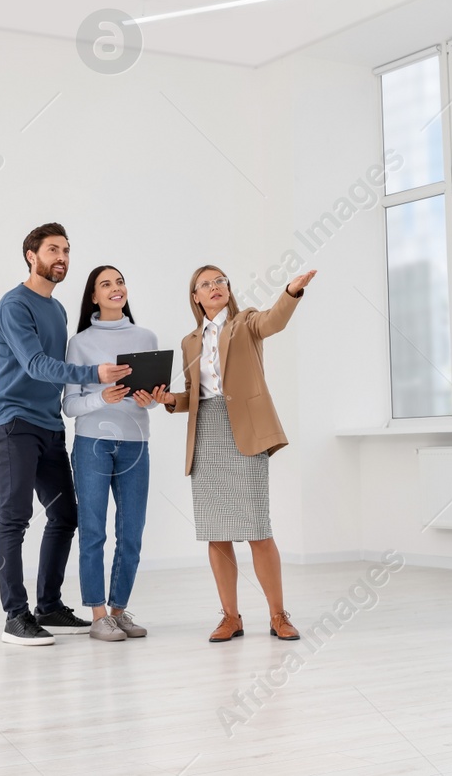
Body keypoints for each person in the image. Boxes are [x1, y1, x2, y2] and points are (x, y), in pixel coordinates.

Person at [153, 264, 317, 643]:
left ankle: (278, 615)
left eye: (220, 281)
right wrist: (168, 400)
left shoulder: (246, 322)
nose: (214, 287)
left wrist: (291, 292)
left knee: (258, 529)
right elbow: (192, 394)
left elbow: (274, 321)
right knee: (217, 532)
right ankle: (230, 617)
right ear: (195, 296)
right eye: (205, 284)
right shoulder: (189, 341)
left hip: (245, 430)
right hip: (206, 433)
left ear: (228, 289)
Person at [0, 223, 131, 647]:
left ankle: (49, 606)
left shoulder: (60, 310)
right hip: (13, 424)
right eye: (52, 249)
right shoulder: (14, 306)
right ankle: (16, 615)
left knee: (66, 515)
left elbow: (56, 371)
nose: (61, 257)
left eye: (66, 250)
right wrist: (93, 373)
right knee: (14, 518)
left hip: (49, 426)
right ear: (31, 255)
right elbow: (36, 365)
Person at [62, 265, 168, 642]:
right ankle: (97, 615)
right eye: (105, 284)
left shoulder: (145, 335)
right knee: (93, 531)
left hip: (136, 443)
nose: (115, 288)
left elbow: (155, 400)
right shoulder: (80, 343)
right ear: (93, 296)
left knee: (132, 532)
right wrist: (100, 397)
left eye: (120, 281)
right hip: (92, 443)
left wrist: (149, 399)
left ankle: (119, 612)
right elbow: (70, 406)